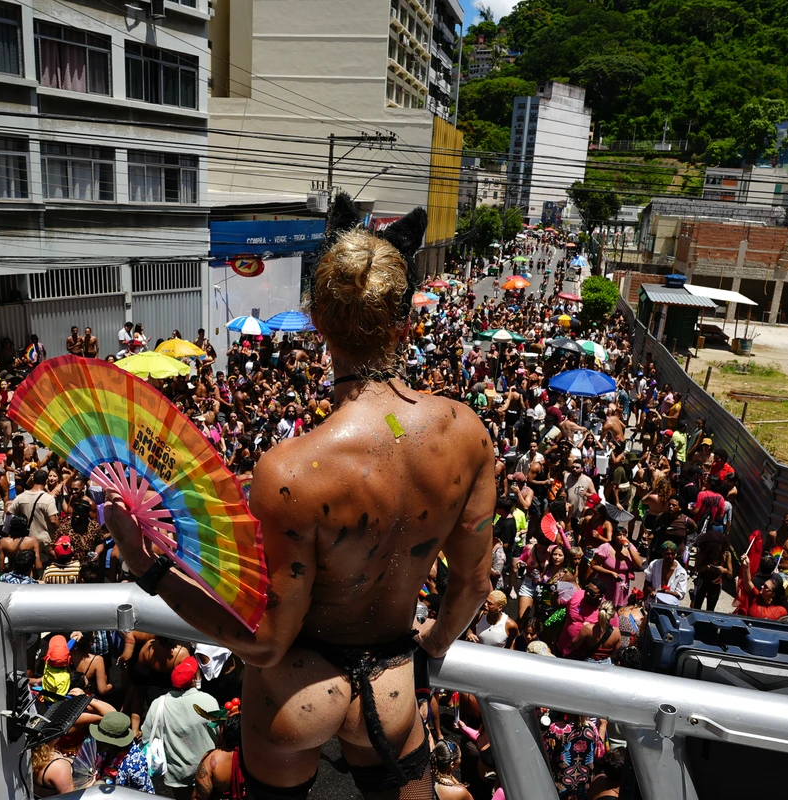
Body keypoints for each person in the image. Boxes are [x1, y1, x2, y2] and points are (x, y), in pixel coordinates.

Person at [106, 199, 495, 799]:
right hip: (394, 687)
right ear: (405, 324)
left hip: (294, 694)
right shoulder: (464, 433)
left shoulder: (290, 471)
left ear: (318, 325)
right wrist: (435, 647)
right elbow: (472, 586)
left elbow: (265, 641)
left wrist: (147, 567)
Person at [142, 657, 220, 799]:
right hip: (206, 769)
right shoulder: (208, 700)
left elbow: (147, 737)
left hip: (177, 774)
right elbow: (218, 733)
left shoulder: (158, 704)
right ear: (192, 681)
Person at [84, 711, 154, 793]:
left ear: (112, 743)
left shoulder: (134, 765)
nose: (96, 742)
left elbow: (144, 794)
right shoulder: (105, 750)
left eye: (100, 740)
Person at [10, 469, 59, 553]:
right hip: (44, 542)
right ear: (46, 481)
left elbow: (10, 513)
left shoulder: (20, 497)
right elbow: (53, 521)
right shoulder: (48, 499)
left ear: (33, 479)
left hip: (26, 541)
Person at [644, 540, 688, 606]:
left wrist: (666, 592)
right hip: (652, 603)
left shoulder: (681, 572)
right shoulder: (654, 564)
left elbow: (680, 594)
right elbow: (647, 583)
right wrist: (651, 591)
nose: (670, 556)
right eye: (667, 554)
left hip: (670, 606)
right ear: (662, 553)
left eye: (673, 554)